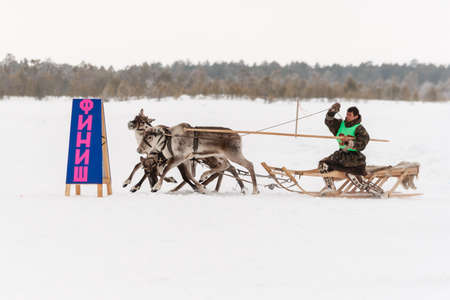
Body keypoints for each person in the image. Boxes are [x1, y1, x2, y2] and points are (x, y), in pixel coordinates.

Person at [318, 103, 383, 197]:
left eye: (350, 115)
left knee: (354, 177)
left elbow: (363, 143)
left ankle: (377, 191)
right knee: (323, 164)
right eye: (347, 114)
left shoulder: (359, 129)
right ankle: (330, 188)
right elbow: (329, 122)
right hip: (340, 155)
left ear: (356, 116)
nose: (347, 117)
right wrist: (332, 112)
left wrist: (350, 142)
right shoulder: (341, 124)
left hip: (354, 159)